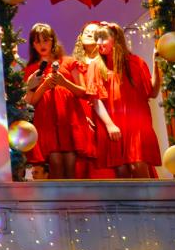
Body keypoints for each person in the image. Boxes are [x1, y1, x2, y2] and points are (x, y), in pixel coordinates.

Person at [90, 22, 163, 178]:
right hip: (115, 124)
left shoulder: (136, 62)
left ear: (115, 38)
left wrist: (156, 63)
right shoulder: (96, 66)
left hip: (136, 125)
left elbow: (153, 92)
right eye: (97, 39)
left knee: (139, 168)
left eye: (102, 38)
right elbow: (96, 100)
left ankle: (148, 203)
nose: (98, 43)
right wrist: (110, 125)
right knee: (122, 173)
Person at [23, 23, 92, 180]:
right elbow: (30, 102)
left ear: (53, 41)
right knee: (55, 166)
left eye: (45, 40)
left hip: (69, 119)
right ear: (33, 44)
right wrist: (44, 86)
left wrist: (64, 82)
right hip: (47, 122)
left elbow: (83, 92)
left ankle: (74, 204)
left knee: (71, 167)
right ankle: (59, 204)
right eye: (38, 41)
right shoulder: (30, 70)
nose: (42, 45)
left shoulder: (68, 62)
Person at [73, 21, 115, 179]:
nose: (90, 34)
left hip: (107, 114)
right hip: (82, 116)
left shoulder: (108, 63)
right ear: (80, 37)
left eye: (95, 32)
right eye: (87, 31)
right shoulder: (73, 65)